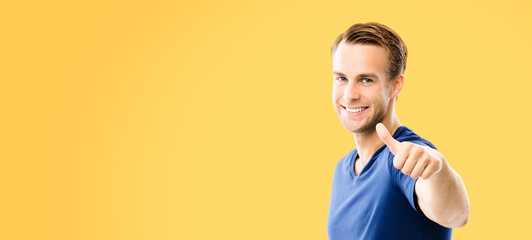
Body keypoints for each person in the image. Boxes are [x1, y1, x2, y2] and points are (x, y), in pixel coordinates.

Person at [326, 22, 470, 240]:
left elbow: (456, 214)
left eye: (366, 80)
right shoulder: (342, 169)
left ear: (395, 85)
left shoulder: (405, 159)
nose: (349, 95)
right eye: (342, 78)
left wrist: (438, 170)